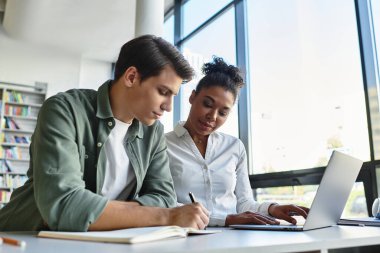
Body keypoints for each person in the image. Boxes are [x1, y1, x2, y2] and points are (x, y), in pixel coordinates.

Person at [0, 35, 209, 231]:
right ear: (131, 76)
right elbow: (64, 204)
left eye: (173, 95)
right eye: (163, 92)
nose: (169, 107)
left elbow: (163, 196)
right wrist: (166, 217)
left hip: (97, 242)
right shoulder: (64, 110)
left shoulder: (153, 132)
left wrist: (98, 212)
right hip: (24, 237)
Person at [165, 57, 308, 227]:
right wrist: (225, 220)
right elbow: (164, 204)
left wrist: (272, 209)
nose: (213, 116)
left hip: (233, 236)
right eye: (207, 104)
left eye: (223, 112)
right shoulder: (163, 145)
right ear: (192, 97)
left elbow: (244, 203)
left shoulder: (234, 147)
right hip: (185, 237)